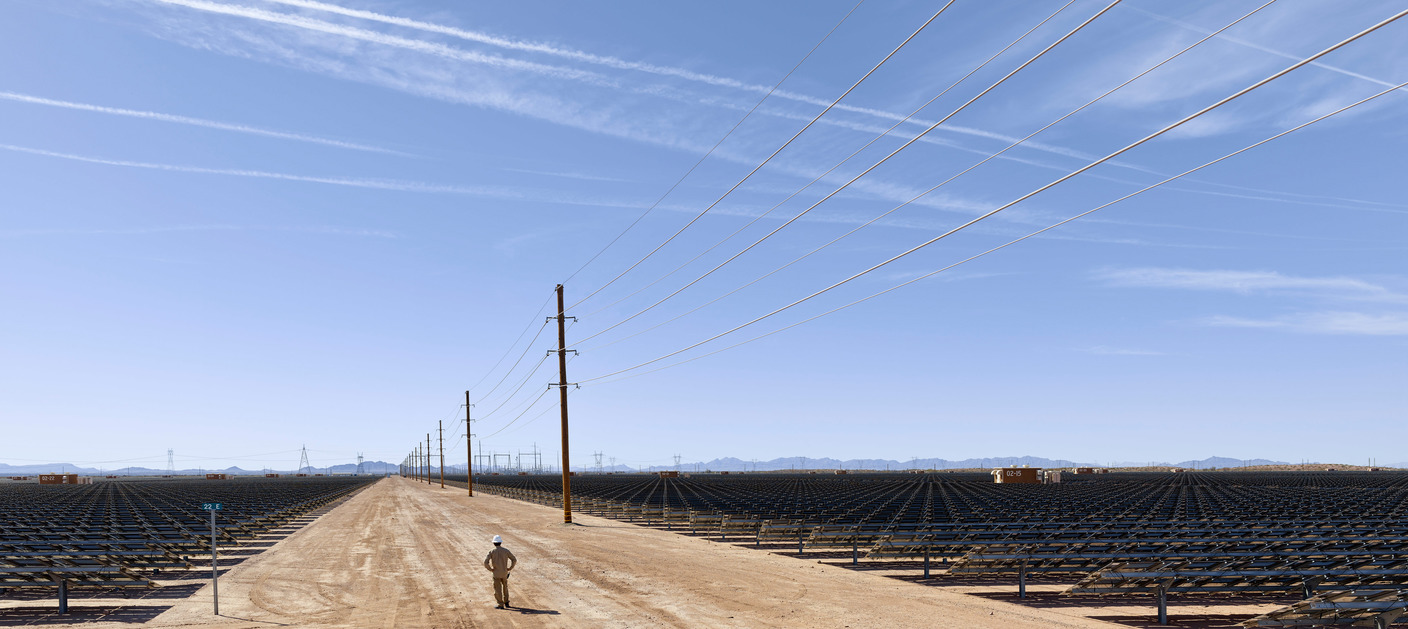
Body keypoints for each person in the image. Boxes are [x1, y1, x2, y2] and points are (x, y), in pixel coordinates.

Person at [483, 535, 517, 609]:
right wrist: (510, 568)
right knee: (505, 587)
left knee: (497, 589)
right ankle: (506, 602)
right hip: (504, 572)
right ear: (500, 542)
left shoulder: (492, 551)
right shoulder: (506, 551)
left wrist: (490, 569)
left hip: (496, 573)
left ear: (494, 543)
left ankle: (500, 604)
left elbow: (486, 562)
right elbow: (514, 559)